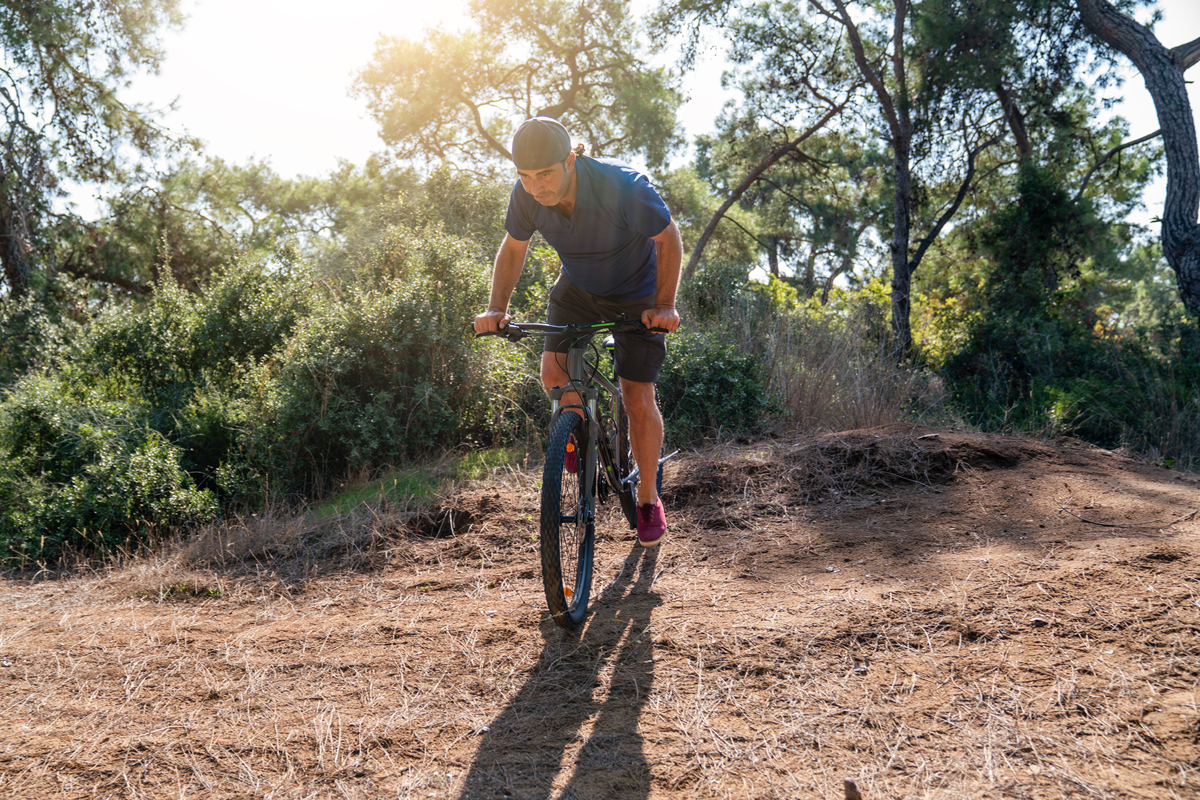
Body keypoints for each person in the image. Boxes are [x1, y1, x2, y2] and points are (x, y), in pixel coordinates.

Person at [474, 116, 683, 547]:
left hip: (636, 295)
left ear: (570, 159)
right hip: (579, 289)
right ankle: (573, 432)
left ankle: (647, 498)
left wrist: (664, 304)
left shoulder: (623, 186)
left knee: (636, 395)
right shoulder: (526, 195)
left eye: (545, 174)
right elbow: (514, 248)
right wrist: (496, 308)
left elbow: (668, 238)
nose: (536, 188)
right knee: (554, 376)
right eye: (525, 177)